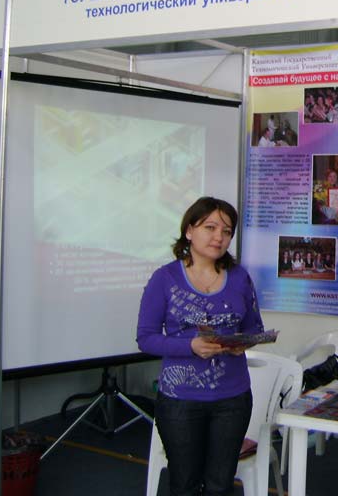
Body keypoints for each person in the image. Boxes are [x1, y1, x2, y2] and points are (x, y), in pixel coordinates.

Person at [136, 197, 264, 496]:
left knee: (220, 485)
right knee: (185, 485)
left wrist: (241, 344)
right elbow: (146, 338)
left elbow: (254, 329)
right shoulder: (165, 278)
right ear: (189, 230)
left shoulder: (240, 278)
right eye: (210, 227)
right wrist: (190, 346)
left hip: (232, 398)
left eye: (227, 231)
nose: (219, 237)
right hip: (180, 400)